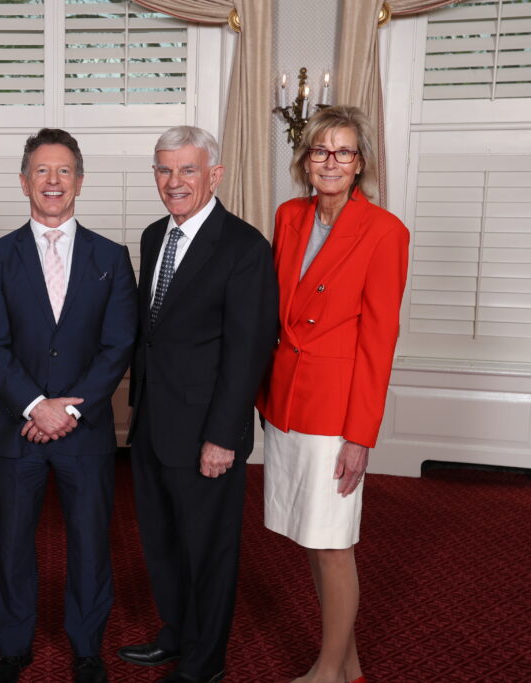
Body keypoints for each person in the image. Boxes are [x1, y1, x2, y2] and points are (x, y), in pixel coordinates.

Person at [0, 128, 137, 683]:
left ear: (80, 182)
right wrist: (35, 405)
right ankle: (13, 648)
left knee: (90, 542)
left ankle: (88, 646)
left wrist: (68, 411)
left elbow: (118, 347)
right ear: (23, 182)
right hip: (17, 431)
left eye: (64, 171)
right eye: (42, 171)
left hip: (83, 432)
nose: (53, 181)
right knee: (12, 543)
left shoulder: (111, 257)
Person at [118, 126, 278, 683]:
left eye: (187, 170)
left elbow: (248, 351)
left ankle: (205, 662)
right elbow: (152, 335)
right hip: (153, 423)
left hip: (207, 431)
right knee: (162, 540)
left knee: (209, 551)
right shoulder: (151, 236)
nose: (174, 182)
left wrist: (222, 434)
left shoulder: (245, 247)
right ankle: (177, 633)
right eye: (164, 170)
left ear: (215, 174)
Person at [256, 106, 409, 683]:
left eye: (343, 152)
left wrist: (360, 435)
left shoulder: (385, 231)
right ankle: (348, 663)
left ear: (361, 163)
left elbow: (379, 340)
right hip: (288, 402)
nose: (331, 162)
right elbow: (278, 310)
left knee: (332, 542)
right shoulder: (289, 215)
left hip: (335, 412)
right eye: (321, 150)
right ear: (305, 160)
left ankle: (327, 672)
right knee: (311, 537)